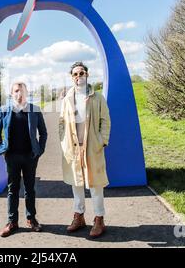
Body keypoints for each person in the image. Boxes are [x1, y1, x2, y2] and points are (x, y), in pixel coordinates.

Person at [58, 62, 111, 238]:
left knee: (95, 185)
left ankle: (99, 219)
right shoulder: (67, 99)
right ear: (71, 77)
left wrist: (102, 141)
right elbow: (61, 123)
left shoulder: (97, 97)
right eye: (75, 74)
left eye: (81, 73)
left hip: (91, 147)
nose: (78, 76)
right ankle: (79, 216)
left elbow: (105, 121)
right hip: (73, 148)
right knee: (76, 184)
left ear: (87, 75)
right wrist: (64, 142)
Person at [0, 82, 48, 237]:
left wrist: (40, 149)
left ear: (27, 93)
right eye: (16, 91)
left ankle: (31, 219)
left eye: (22, 90)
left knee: (30, 189)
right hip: (11, 156)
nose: (20, 93)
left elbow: (43, 132)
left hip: (30, 157)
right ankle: (12, 222)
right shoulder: (4, 110)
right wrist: (1, 148)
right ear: (12, 94)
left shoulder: (34, 110)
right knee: (13, 189)